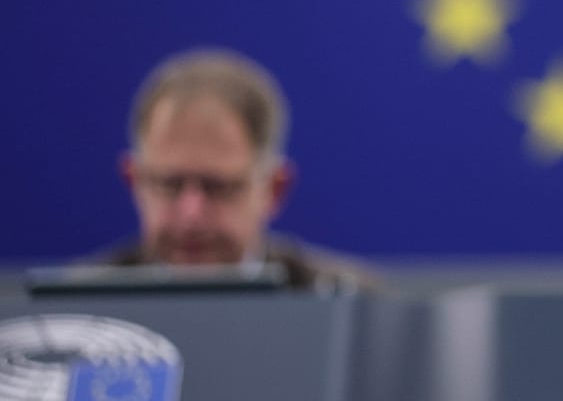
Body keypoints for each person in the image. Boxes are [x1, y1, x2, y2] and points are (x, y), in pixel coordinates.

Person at [97, 48, 375, 293]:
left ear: (274, 189)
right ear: (134, 182)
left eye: (217, 187)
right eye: (170, 185)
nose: (191, 214)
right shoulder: (78, 308)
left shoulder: (348, 311)